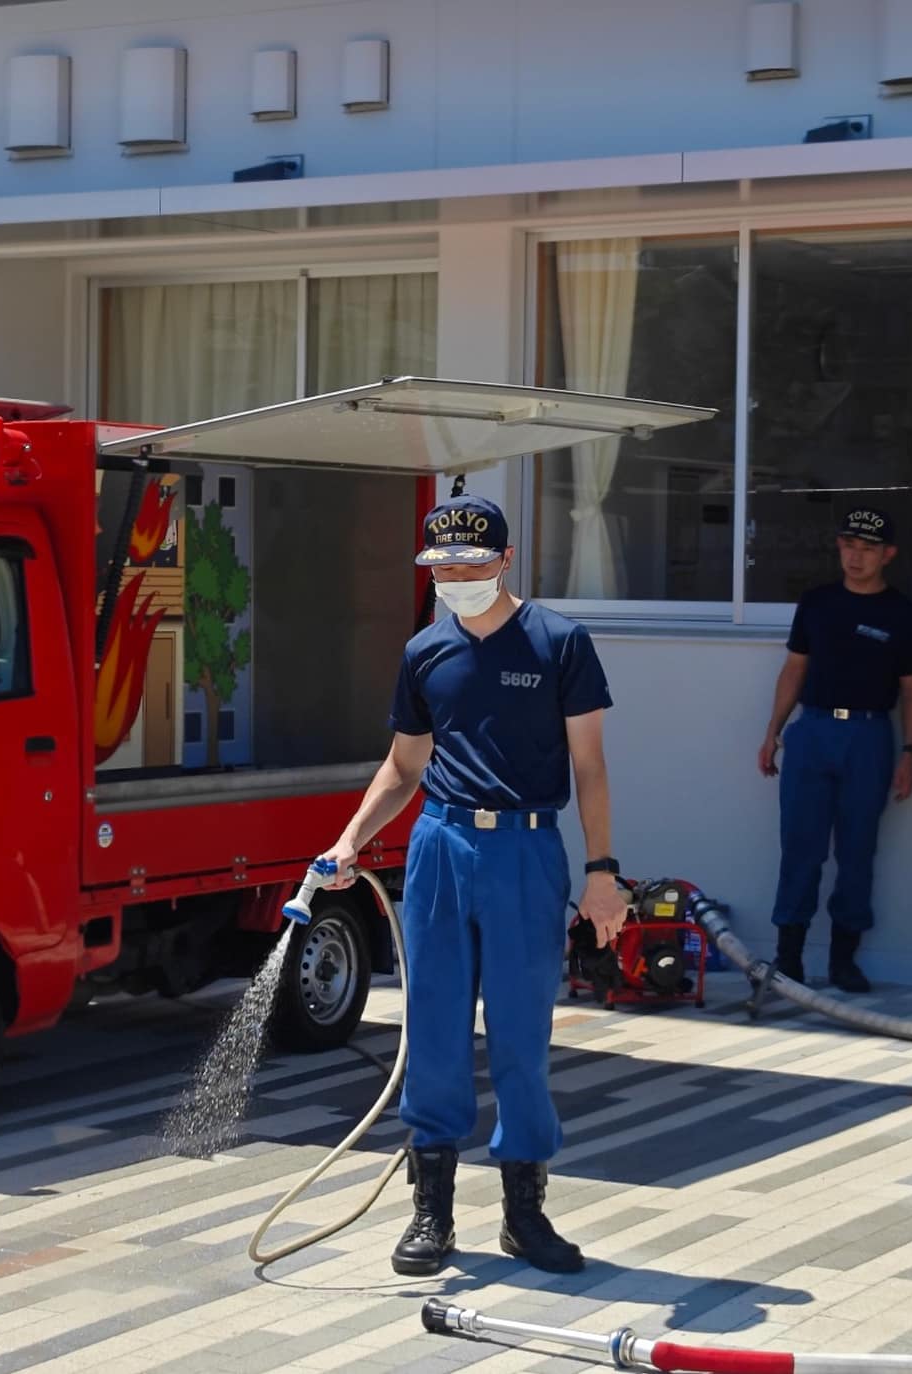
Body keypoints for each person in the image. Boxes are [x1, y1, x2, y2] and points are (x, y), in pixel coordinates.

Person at [316, 494, 624, 1278]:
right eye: (442, 566)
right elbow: (402, 766)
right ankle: (433, 1212)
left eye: (470, 564)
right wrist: (351, 842)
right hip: (441, 846)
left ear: (506, 560)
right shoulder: (425, 651)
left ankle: (525, 1212)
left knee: (521, 1034)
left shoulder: (560, 643)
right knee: (437, 1028)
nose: (455, 577)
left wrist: (601, 874)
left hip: (526, 851)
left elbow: (589, 766)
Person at [757, 508, 912, 992]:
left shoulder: (901, 614)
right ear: (838, 546)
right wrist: (773, 731)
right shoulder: (818, 603)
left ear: (888, 554)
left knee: (857, 850)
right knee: (800, 847)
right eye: (849, 545)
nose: (856, 556)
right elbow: (794, 669)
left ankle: (843, 960)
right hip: (812, 733)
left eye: (868, 548)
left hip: (870, 738)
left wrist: (911, 752)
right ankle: (787, 958)